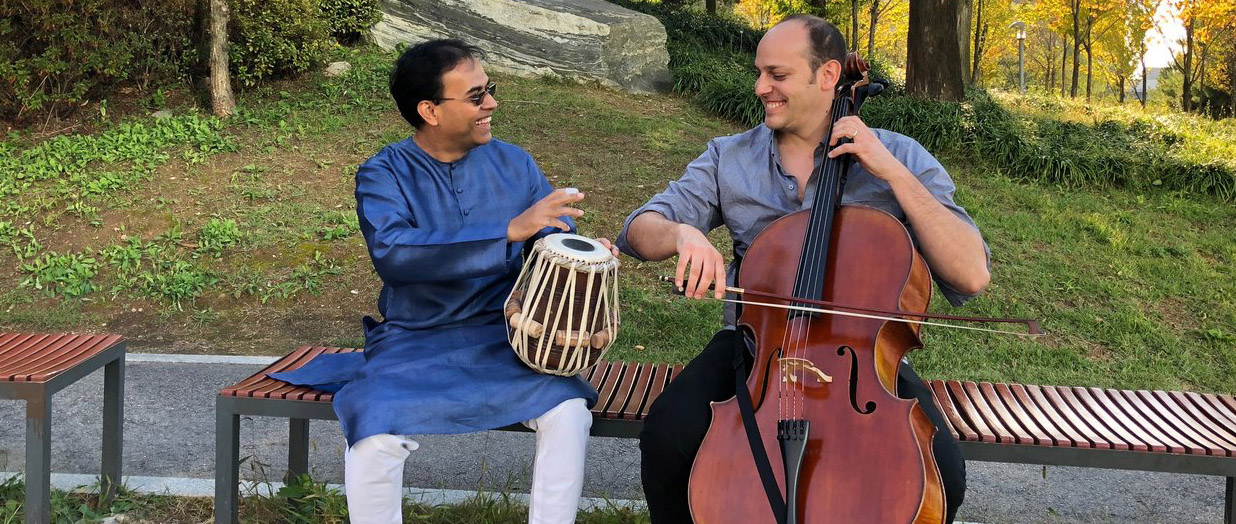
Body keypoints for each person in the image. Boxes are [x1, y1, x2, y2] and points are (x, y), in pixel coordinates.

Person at [614, 15, 990, 524]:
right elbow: (639, 228)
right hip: (756, 352)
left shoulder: (900, 155)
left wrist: (892, 173)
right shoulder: (729, 158)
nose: (760, 87)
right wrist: (683, 234)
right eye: (759, 73)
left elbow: (971, 274)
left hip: (863, 358)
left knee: (940, 473)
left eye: (778, 75)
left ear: (829, 75)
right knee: (667, 438)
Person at [269, 39, 615, 524]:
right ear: (429, 110)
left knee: (569, 412)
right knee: (373, 433)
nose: (491, 104)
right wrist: (507, 231)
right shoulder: (384, 173)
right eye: (476, 96)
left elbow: (551, 238)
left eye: (490, 90)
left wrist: (584, 253)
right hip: (414, 340)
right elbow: (395, 254)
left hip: (507, 338)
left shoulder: (515, 163)